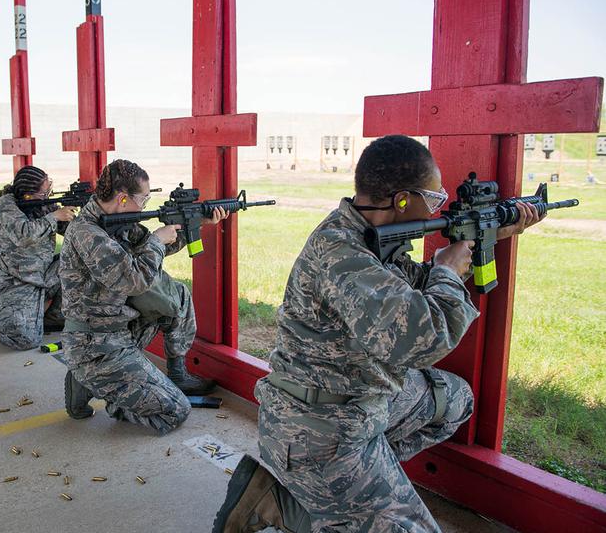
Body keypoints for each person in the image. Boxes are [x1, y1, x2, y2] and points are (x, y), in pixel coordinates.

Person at [212, 135, 544, 533]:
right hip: (317, 429)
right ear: (403, 201)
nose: (439, 207)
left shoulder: (369, 235)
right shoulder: (342, 252)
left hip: (357, 399)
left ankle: (355, 490)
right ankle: (285, 503)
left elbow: (404, 291)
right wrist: (446, 271)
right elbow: (418, 341)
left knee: (453, 399)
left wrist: (475, 246)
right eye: (434, 199)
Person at [58, 159, 227, 434]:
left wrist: (194, 224)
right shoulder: (87, 232)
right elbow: (133, 279)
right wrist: (157, 240)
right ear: (123, 198)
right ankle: (101, 386)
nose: (145, 205)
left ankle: (158, 375)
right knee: (176, 411)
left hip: (120, 329)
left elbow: (149, 252)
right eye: (144, 199)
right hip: (96, 344)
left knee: (175, 297)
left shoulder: (116, 222)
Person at [0, 166, 75, 350]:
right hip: (19, 281)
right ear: (27, 195)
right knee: (24, 340)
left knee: (78, 260)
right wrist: (54, 217)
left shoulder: (42, 204)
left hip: (45, 275)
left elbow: (69, 231)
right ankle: (14, 316)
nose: (47, 197)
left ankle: (53, 317)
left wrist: (78, 218)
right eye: (43, 193)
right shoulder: (6, 206)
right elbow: (23, 234)